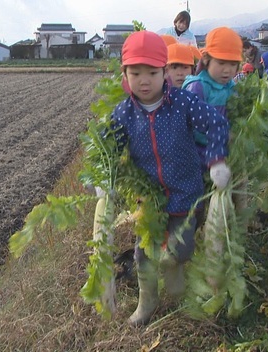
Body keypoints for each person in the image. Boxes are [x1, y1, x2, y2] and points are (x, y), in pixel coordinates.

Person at [110, 30, 231, 326]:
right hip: (149, 200)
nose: (144, 80)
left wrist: (216, 160)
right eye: (135, 73)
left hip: (185, 195)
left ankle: (177, 284)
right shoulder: (124, 113)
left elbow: (216, 122)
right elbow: (108, 146)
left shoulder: (181, 102)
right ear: (125, 74)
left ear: (163, 72)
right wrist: (104, 178)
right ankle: (146, 304)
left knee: (180, 249)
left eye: (152, 72)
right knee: (143, 254)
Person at [183, 26, 242, 170]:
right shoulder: (198, 87)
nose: (227, 70)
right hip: (198, 154)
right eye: (221, 63)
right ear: (207, 59)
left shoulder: (232, 88)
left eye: (233, 64)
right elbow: (192, 128)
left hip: (224, 151)